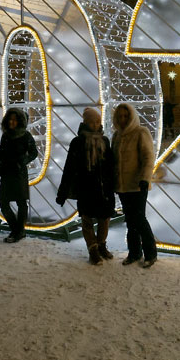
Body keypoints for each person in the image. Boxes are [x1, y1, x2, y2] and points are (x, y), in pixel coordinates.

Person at [57, 107, 117, 265]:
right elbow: (69, 167)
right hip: (86, 188)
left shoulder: (105, 141)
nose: (96, 124)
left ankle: (101, 245)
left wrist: (114, 184)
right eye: (92, 122)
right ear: (85, 122)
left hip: (104, 188)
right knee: (87, 220)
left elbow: (111, 165)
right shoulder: (78, 142)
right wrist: (63, 192)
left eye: (97, 121)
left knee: (104, 218)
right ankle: (93, 249)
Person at [112, 102, 157, 267]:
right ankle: (134, 252)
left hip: (138, 185)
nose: (123, 119)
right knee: (130, 220)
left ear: (131, 116)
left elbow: (148, 157)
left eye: (126, 116)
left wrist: (145, 178)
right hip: (123, 187)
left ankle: (151, 253)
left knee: (139, 219)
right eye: (120, 116)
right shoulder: (117, 136)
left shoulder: (140, 132)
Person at [0, 108, 38, 243]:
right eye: (10, 119)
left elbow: (34, 153)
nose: (11, 122)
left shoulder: (26, 136)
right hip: (6, 172)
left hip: (19, 172)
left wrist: (23, 160)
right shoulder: (6, 135)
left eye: (14, 119)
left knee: (21, 202)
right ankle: (17, 230)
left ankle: (18, 231)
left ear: (19, 121)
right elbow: (1, 153)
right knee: (3, 202)